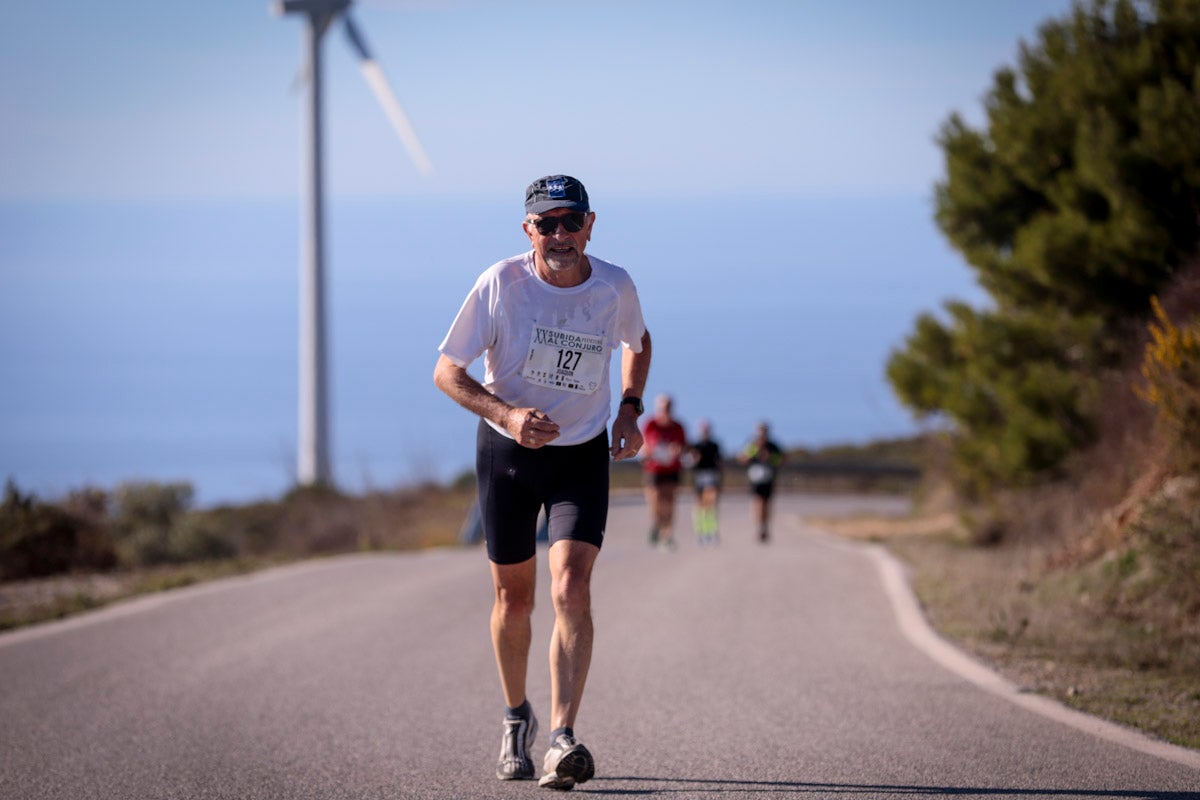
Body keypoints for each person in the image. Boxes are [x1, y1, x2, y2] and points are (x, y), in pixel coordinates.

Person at [432, 175, 652, 790]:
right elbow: (446, 372)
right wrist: (505, 415)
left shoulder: (614, 285)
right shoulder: (499, 285)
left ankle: (561, 737)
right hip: (509, 455)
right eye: (546, 223)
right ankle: (514, 717)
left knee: (571, 587)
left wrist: (630, 408)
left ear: (590, 224)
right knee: (514, 600)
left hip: (580, 455)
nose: (560, 235)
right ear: (527, 230)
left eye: (570, 221)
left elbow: (639, 340)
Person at [640, 394, 687, 551]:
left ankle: (667, 535)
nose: (665, 410)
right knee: (655, 500)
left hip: (672, 469)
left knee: (670, 502)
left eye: (668, 407)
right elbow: (643, 445)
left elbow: (684, 447)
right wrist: (648, 451)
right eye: (662, 407)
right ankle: (657, 524)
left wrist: (677, 450)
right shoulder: (650, 424)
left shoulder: (678, 426)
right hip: (654, 469)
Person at [738, 421, 784, 543]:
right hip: (755, 479)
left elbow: (782, 460)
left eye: (764, 431)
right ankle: (759, 527)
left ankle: (765, 526)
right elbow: (742, 458)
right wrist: (752, 454)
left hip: (768, 478)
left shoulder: (773, 446)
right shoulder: (752, 445)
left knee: (767, 503)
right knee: (758, 502)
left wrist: (770, 457)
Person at [687, 418, 723, 546]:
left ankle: (711, 531)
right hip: (699, 477)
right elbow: (689, 462)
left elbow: (719, 463)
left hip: (711, 476)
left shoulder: (715, 445)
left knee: (711, 505)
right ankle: (700, 532)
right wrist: (694, 459)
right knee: (700, 506)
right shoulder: (695, 446)